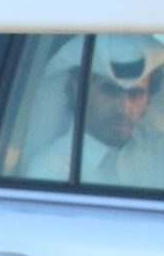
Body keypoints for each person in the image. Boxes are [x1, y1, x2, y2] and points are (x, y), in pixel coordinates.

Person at [22, 33, 164, 189]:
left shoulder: (156, 151)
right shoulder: (51, 170)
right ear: (77, 90)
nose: (124, 108)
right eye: (110, 91)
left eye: (135, 94)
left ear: (149, 97)